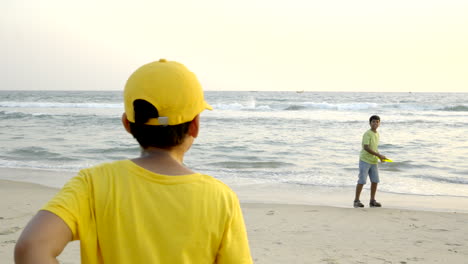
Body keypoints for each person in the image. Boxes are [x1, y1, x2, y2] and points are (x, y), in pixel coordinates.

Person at [15, 59, 253, 263]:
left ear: (127, 124)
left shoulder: (93, 183)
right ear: (195, 125)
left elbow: (31, 248)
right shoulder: (221, 197)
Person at [353, 115, 387, 208]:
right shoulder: (367, 134)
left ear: (379, 123)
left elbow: (374, 148)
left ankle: (372, 201)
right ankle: (356, 201)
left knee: (375, 181)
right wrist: (378, 155)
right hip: (365, 160)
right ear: (370, 123)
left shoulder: (377, 134)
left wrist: (379, 157)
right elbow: (366, 147)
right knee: (362, 181)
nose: (375, 123)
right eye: (373, 122)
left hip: (373, 161)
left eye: (377, 122)